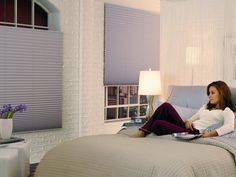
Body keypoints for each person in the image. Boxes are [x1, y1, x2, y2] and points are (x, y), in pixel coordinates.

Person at [132, 81, 235, 138]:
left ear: (222, 93)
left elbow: (229, 127)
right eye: (208, 93)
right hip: (186, 127)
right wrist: (189, 121)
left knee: (157, 124)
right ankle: (143, 132)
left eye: (212, 93)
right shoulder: (205, 107)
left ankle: (145, 130)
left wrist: (210, 134)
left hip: (194, 133)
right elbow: (191, 119)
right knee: (166, 106)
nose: (209, 96)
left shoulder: (226, 111)